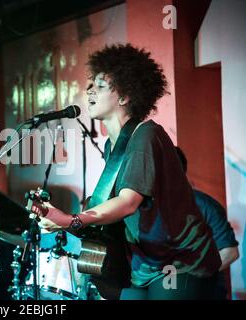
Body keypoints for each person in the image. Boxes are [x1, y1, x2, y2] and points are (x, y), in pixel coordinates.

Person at [30, 43, 222, 300]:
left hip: (180, 262)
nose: (89, 91)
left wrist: (71, 219)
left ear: (124, 96)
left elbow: (128, 202)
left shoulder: (147, 135)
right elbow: (114, 208)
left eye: (100, 86)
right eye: (90, 85)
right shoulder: (115, 145)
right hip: (144, 264)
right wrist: (61, 219)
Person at [175, 146, 239, 299]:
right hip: (169, 290)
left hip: (205, 292)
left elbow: (230, 252)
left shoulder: (206, 206)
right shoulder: (151, 208)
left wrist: (192, 275)